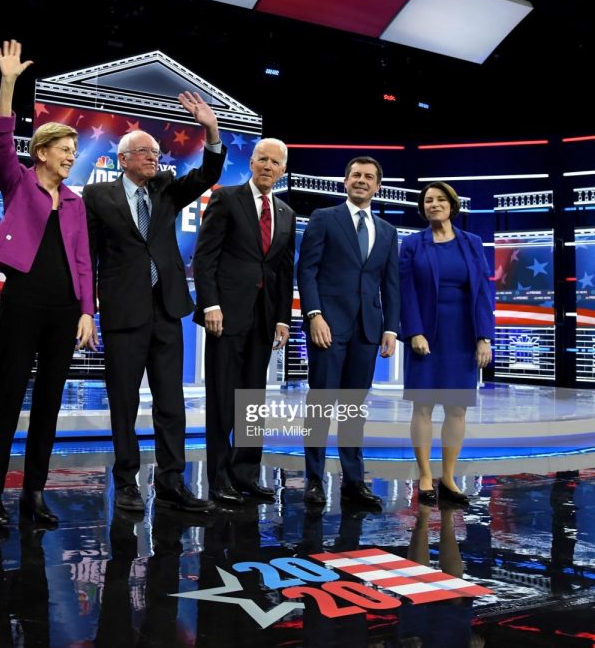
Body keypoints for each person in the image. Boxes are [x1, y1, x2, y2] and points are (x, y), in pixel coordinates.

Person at [83, 92, 227, 514]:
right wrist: (87, 310)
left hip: (167, 311)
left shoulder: (165, 188)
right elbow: (86, 257)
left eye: (157, 152)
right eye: (144, 152)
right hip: (123, 313)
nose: (154, 157)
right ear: (124, 159)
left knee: (171, 404)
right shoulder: (97, 197)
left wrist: (210, 128)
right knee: (123, 403)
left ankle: (171, 483)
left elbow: (208, 172)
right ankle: (126, 483)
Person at [0, 40, 96, 529]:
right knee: (8, 399)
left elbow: (84, 260)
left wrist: (88, 310)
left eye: (73, 152)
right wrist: (8, 83)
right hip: (22, 303)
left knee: (49, 402)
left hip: (64, 310)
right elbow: (1, 142)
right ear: (42, 151)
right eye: (65, 151)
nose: (71, 157)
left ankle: (34, 494)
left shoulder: (75, 202)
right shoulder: (19, 182)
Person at [193, 138, 295, 504]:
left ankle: (246, 474)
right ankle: (219, 479)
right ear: (251, 163)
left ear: (283, 170)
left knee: (252, 400)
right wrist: (210, 305)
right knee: (222, 398)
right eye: (262, 159)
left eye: (275, 162)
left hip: (265, 320)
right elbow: (205, 258)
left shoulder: (285, 212)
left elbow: (284, 271)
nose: (268, 166)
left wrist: (283, 319)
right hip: (226, 315)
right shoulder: (226, 199)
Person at [296, 156, 399, 509]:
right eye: (356, 175)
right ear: (345, 181)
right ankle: (314, 480)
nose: (362, 181)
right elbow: (306, 271)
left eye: (369, 177)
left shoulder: (387, 230)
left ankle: (354, 482)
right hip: (328, 326)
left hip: (367, 331)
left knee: (354, 409)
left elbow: (390, 283)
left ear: (377, 185)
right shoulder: (324, 219)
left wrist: (390, 328)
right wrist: (314, 315)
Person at [399, 181, 494, 507]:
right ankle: (425, 475)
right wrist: (414, 332)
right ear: (423, 207)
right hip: (426, 334)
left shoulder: (472, 243)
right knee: (422, 406)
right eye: (428, 200)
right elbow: (405, 291)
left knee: (457, 408)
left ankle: (449, 477)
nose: (434, 204)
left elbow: (483, 293)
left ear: (452, 205)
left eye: (440, 199)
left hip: (462, 336)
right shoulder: (412, 245)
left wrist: (484, 337)